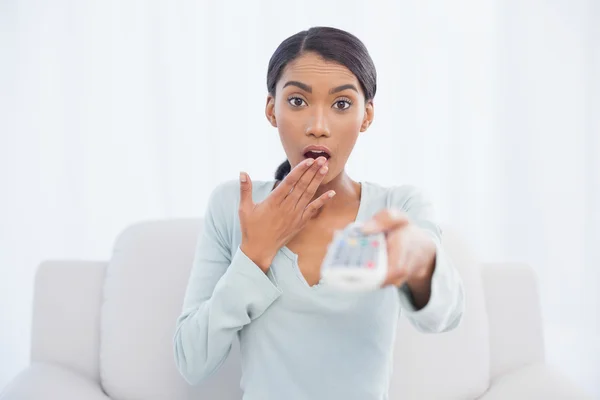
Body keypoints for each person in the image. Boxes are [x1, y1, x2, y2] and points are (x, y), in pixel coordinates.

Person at [173, 26, 465, 400]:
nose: (317, 127)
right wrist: (254, 255)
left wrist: (421, 263)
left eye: (341, 104)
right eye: (297, 101)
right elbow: (191, 361)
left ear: (366, 115)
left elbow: (446, 316)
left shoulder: (399, 207)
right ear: (271, 109)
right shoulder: (234, 207)